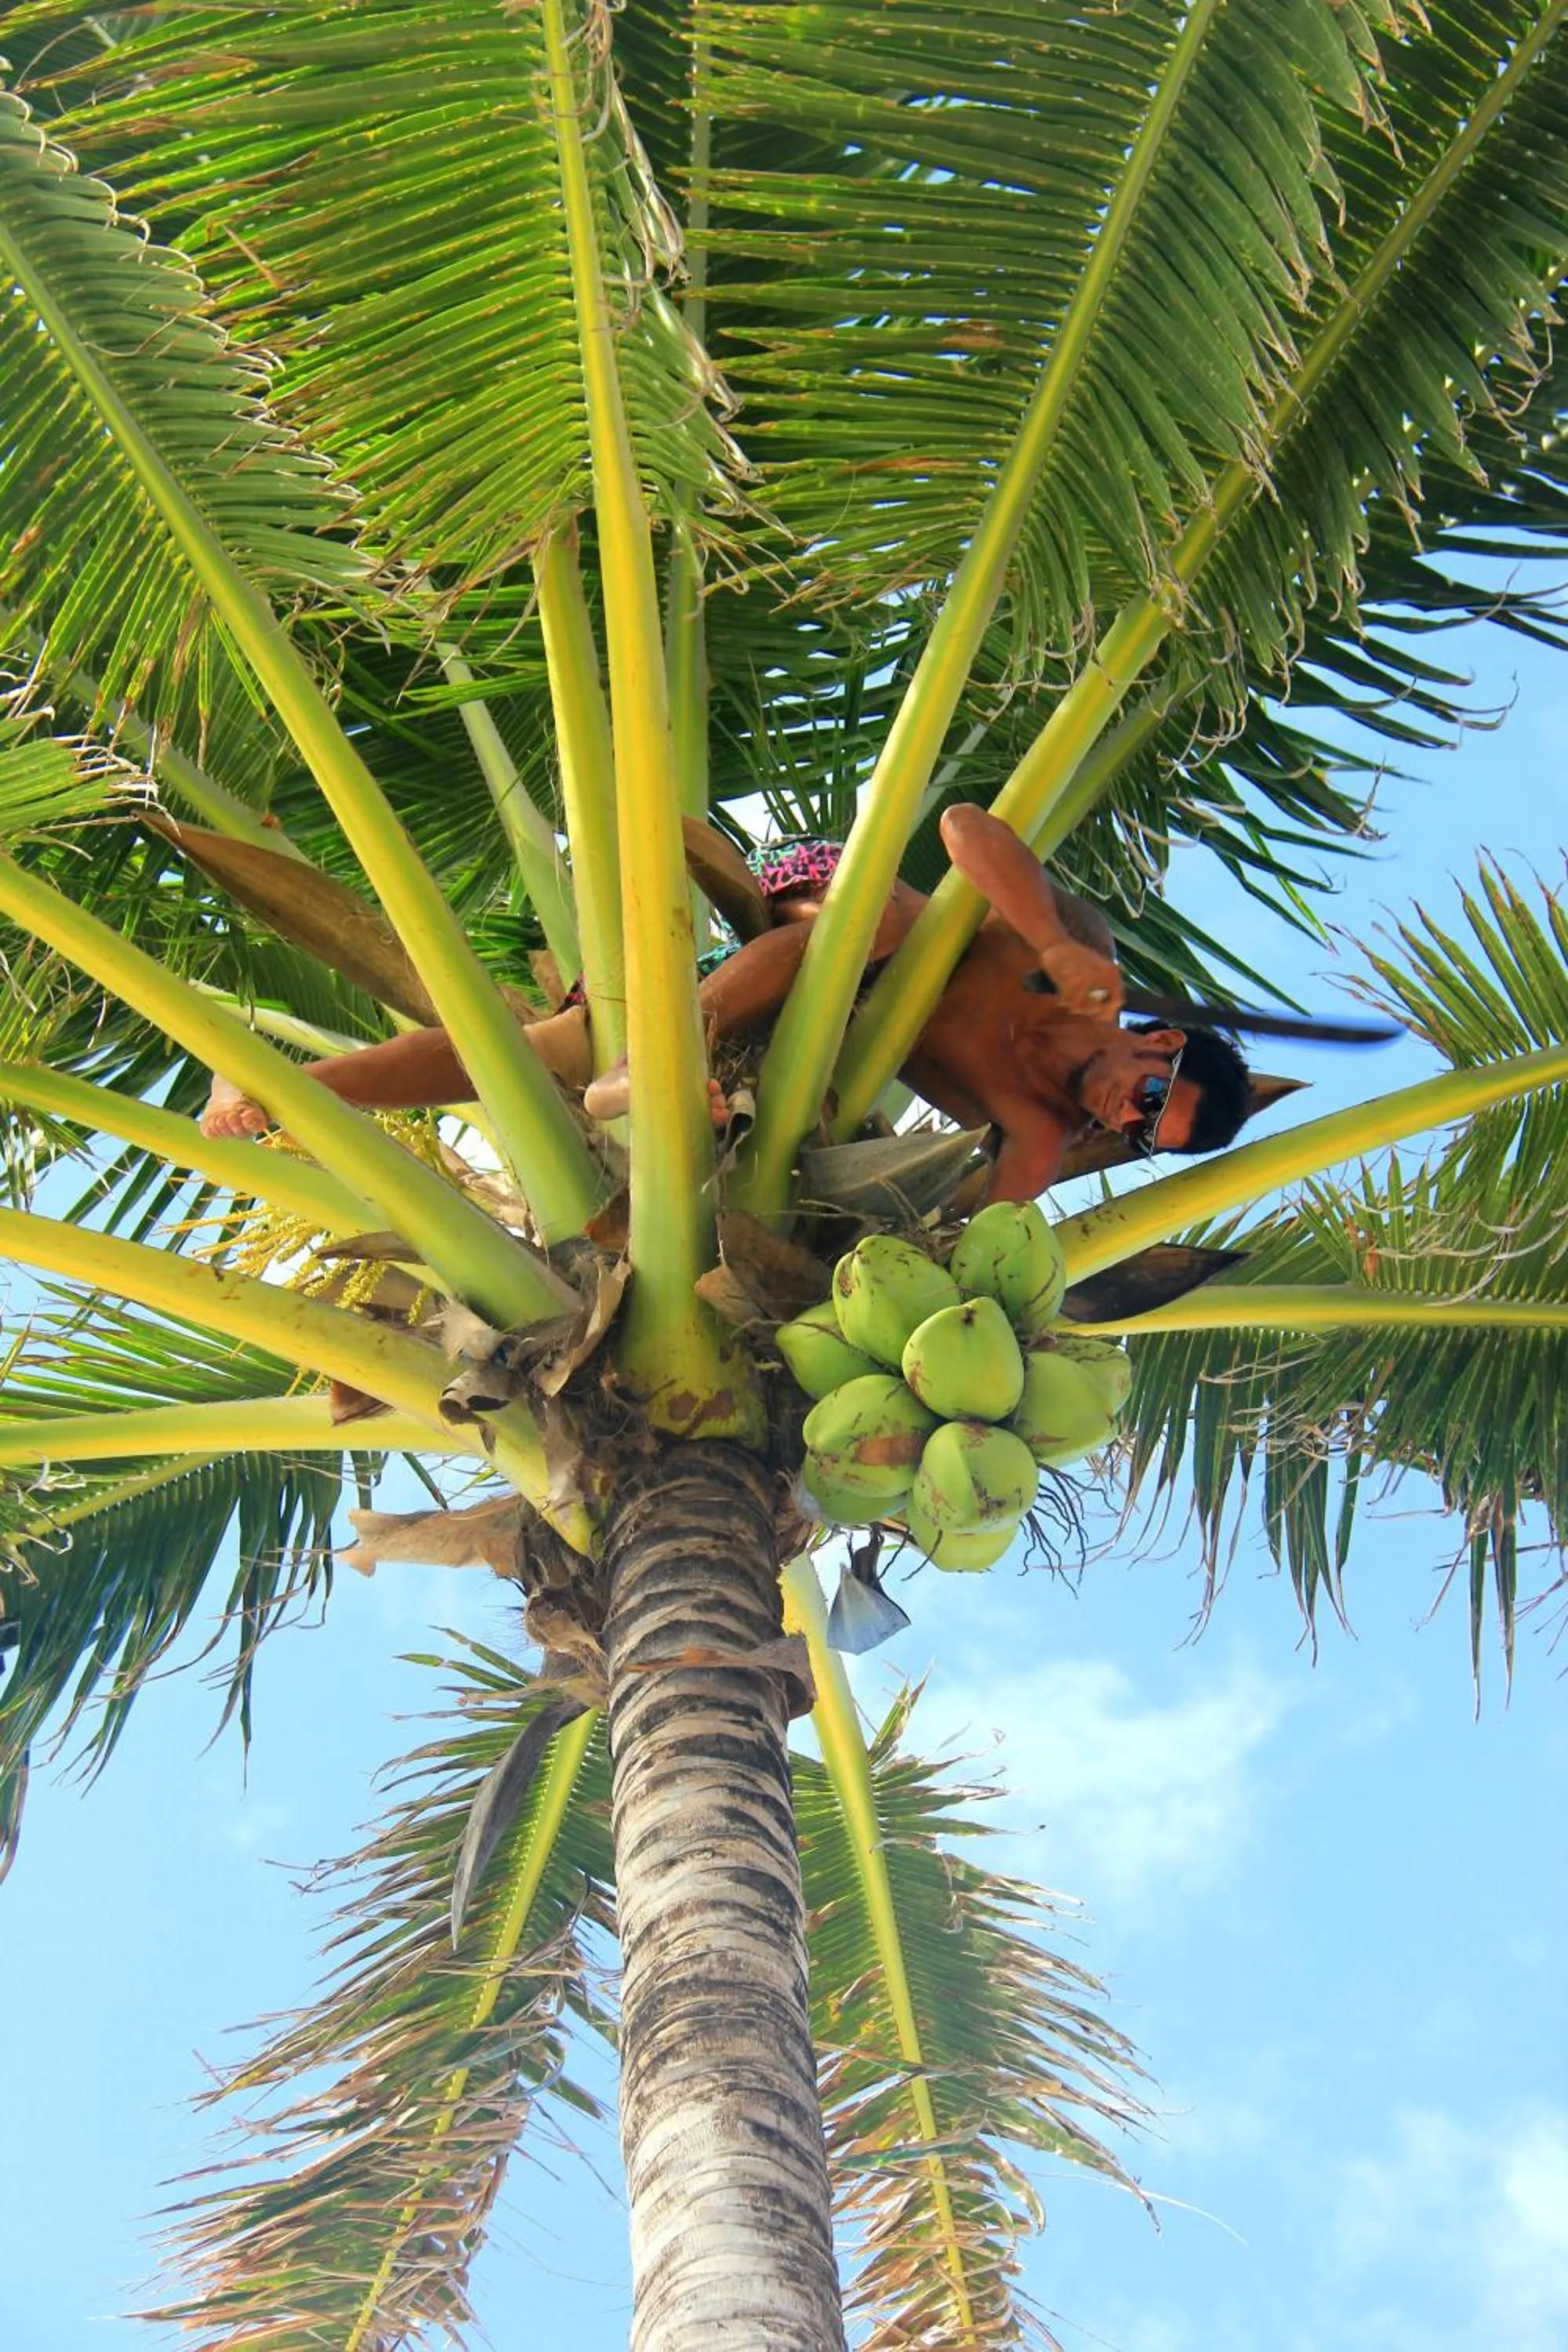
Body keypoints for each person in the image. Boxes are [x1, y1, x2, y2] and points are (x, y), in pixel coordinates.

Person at [200, 804, 1254, 1203]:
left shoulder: (1029, 1133)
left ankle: (282, 1088)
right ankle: (672, 1047)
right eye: (1148, 1090)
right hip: (803, 905)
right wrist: (1061, 942)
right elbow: (968, 832)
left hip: (806, 1031)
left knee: (547, 1054)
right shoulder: (1075, 963)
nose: (1122, 1116)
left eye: (1141, 1135)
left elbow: (979, 1236)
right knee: (877, 929)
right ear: (1157, 1038)